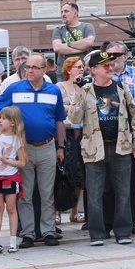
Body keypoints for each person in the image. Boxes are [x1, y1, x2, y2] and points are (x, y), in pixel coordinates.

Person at [69, 51, 135, 246]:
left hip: (121, 147)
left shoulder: (121, 88)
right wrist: (77, 94)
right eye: (105, 66)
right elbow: (75, 120)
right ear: (93, 70)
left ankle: (122, 231)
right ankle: (97, 233)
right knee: (94, 193)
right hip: (94, 149)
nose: (110, 68)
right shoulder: (85, 91)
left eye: (111, 65)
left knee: (123, 192)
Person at [0, 53, 66, 249]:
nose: (29, 71)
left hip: (47, 145)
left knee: (47, 192)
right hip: (23, 148)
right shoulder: (15, 88)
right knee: (25, 194)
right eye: (27, 67)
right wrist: (5, 131)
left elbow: (59, 120)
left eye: (34, 67)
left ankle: (49, 231)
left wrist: (61, 147)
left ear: (44, 70)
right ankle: (28, 234)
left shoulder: (53, 91)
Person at [106, 41, 135, 235]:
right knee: (108, 183)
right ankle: (108, 222)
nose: (111, 59)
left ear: (124, 56)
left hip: (130, 134)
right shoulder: (102, 74)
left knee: (130, 182)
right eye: (108, 55)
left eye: (115, 55)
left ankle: (131, 220)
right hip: (107, 134)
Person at [0, 106, 28, 254]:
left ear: (13, 122)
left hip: (10, 176)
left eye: (4, 118)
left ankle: (13, 241)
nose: (0, 121)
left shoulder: (17, 139)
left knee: (11, 208)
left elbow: (22, 162)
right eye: (0, 118)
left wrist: (6, 161)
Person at [56, 56, 86, 224]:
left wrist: (71, 107)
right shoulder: (59, 87)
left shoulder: (84, 87)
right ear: (68, 69)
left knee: (78, 175)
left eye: (82, 67)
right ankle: (58, 212)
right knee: (63, 173)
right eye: (77, 67)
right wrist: (72, 107)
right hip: (65, 134)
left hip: (81, 135)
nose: (81, 69)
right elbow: (58, 107)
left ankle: (75, 211)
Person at [52, 1, 96, 82]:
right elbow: (57, 48)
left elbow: (89, 42)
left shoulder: (87, 27)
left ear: (75, 13)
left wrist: (67, 44)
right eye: (62, 12)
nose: (63, 14)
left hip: (84, 71)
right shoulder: (58, 29)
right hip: (64, 73)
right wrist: (81, 49)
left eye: (66, 11)